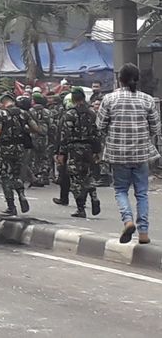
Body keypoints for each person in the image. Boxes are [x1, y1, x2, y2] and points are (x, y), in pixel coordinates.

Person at [97, 63, 161, 244]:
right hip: (141, 154)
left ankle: (127, 221)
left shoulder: (109, 99)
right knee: (141, 193)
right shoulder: (147, 100)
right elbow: (156, 127)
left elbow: (100, 125)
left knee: (120, 190)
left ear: (120, 79)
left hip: (117, 155)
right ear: (137, 79)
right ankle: (144, 233)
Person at [0, 93, 42, 215]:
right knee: (16, 174)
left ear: (4, 102)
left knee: (5, 175)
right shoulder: (23, 113)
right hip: (20, 147)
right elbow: (36, 128)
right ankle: (21, 194)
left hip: (6, 148)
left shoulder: (1, 114)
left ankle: (11, 205)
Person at [57, 87, 102, 218]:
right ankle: (94, 196)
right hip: (88, 148)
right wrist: (97, 151)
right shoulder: (91, 113)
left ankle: (80, 208)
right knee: (88, 174)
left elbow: (65, 135)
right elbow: (96, 133)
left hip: (74, 149)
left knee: (76, 178)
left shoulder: (70, 114)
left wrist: (61, 153)